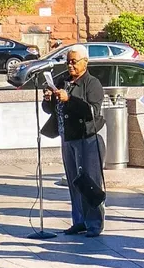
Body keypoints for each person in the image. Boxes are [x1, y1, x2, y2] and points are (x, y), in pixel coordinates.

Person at [41, 47, 106, 236]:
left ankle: (94, 223)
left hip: (87, 138)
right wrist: (48, 100)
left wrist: (70, 99)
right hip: (67, 137)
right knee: (73, 182)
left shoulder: (92, 83)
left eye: (74, 61)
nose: (70, 65)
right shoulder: (63, 81)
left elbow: (92, 111)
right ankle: (79, 221)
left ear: (85, 62)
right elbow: (51, 110)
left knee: (90, 182)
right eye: (68, 61)